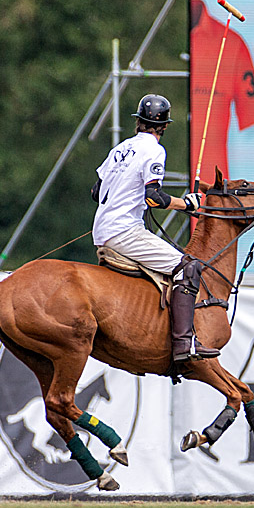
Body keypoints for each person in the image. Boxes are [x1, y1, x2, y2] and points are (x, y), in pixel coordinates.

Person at [91, 94, 220, 365]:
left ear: (138, 121)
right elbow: (154, 198)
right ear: (164, 126)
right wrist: (186, 204)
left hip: (102, 228)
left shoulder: (120, 149)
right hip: (124, 230)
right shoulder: (154, 151)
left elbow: (95, 191)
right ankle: (185, 341)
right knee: (188, 266)